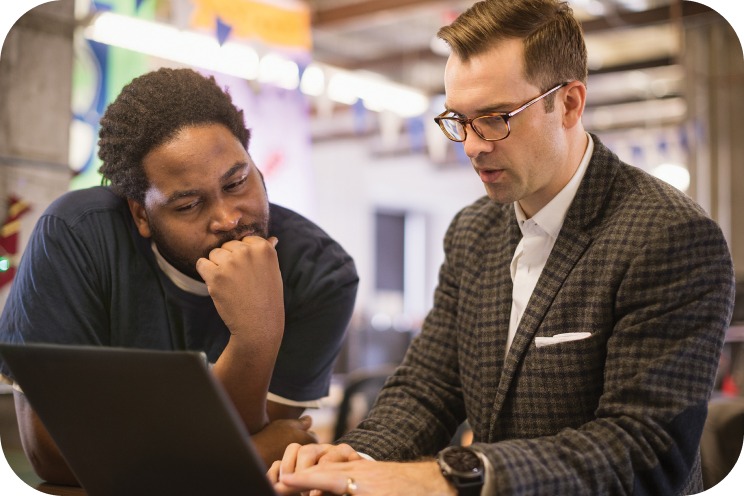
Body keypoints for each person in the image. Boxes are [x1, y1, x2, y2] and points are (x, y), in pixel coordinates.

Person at [269, 1, 736, 495]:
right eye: (458, 120)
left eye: (494, 118)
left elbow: (642, 452)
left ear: (570, 104)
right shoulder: (473, 232)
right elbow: (429, 388)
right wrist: (356, 457)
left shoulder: (668, 236)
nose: (471, 145)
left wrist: (450, 477)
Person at [0, 68, 358, 485]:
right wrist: (259, 440)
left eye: (238, 182)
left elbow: (238, 461)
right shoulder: (77, 236)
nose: (228, 217)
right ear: (141, 214)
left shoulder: (321, 273)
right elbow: (54, 458)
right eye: (188, 205)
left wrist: (256, 335)